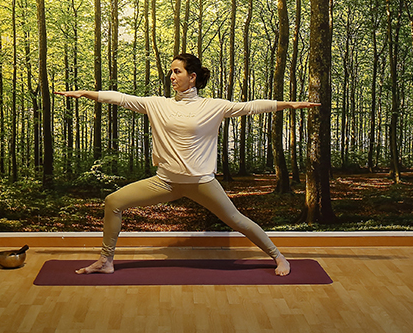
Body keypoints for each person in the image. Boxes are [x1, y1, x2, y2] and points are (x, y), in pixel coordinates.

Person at [55, 53, 319, 277]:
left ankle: (278, 257)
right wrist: (86, 93)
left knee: (237, 220)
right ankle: (106, 261)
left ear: (192, 76)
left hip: (201, 183)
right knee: (113, 202)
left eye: (177, 71)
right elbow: (120, 98)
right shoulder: (157, 104)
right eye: (170, 71)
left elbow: (250, 107)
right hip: (165, 182)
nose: (171, 76)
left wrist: (289, 104)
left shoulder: (212, 106)